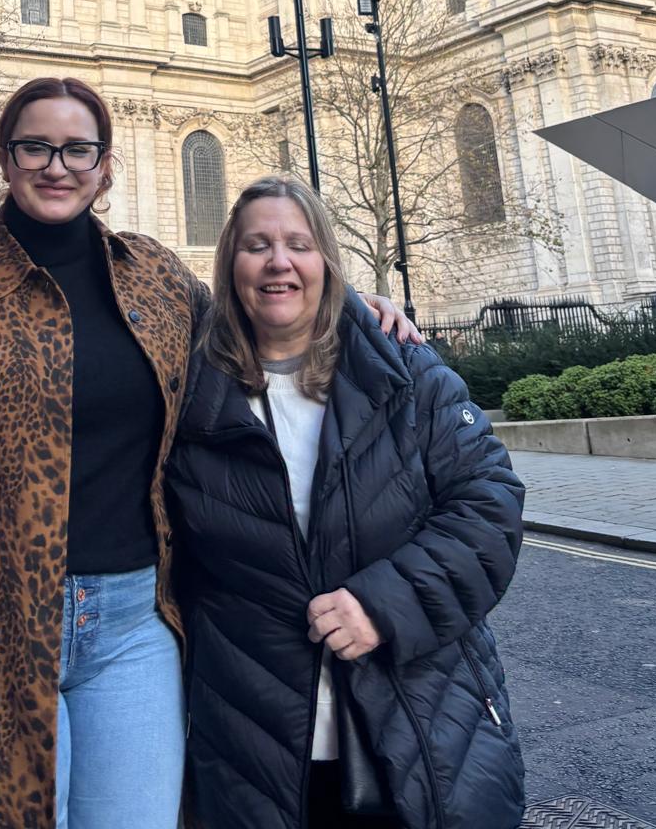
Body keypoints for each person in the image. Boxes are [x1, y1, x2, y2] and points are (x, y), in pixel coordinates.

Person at [0, 76, 415, 829]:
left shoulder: (154, 276)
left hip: (134, 624)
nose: (57, 166)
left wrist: (353, 306)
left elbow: (251, 328)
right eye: (36, 147)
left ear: (105, 165)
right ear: (6, 159)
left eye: (78, 149)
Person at [166, 175, 526, 829]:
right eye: (257, 246)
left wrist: (385, 605)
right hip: (255, 744)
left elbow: (489, 507)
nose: (278, 262)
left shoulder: (406, 370)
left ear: (326, 262)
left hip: (418, 722)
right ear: (229, 266)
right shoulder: (190, 397)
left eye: (299, 245)